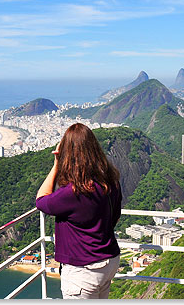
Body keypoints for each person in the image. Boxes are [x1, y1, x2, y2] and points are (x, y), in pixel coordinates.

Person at [36, 123, 122, 299]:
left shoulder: (73, 192)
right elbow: (114, 216)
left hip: (83, 271)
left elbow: (41, 200)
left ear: (68, 154)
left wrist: (56, 166)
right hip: (109, 262)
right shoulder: (110, 182)